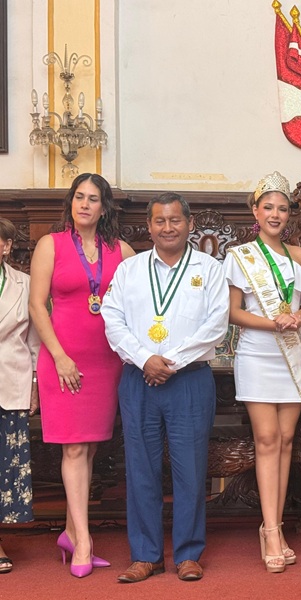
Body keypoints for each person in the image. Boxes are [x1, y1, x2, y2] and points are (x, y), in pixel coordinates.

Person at [102, 192, 229, 583]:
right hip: (139, 378)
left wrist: (169, 361)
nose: (168, 227)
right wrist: (145, 359)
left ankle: (188, 554)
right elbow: (112, 318)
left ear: (189, 224)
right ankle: (145, 555)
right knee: (140, 468)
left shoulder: (209, 269)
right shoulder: (130, 269)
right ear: (149, 225)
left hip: (189, 379)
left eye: (175, 220)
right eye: (160, 220)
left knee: (190, 469)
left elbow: (216, 324)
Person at [29, 173, 135, 578]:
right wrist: (59, 357)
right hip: (63, 359)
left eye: (93, 199)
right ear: (70, 203)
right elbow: (37, 306)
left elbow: (135, 304)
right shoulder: (50, 244)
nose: (85, 204)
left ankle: (71, 532)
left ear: (104, 208)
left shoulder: (121, 250)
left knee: (89, 449)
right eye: (79, 197)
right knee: (73, 448)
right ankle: (84, 542)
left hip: (107, 361)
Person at [223, 172, 301, 574]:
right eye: (268, 208)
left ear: (289, 214)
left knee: (286, 440)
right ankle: (273, 531)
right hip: (257, 354)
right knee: (265, 439)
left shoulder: (299, 255)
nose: (275, 214)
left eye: (282, 208)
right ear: (256, 211)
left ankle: (271, 525)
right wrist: (272, 323)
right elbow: (233, 312)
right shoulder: (239, 256)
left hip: (293, 353)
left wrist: (297, 318)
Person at [0, 218, 41, 574]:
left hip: (11, 384)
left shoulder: (25, 284)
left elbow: (34, 343)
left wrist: (35, 384)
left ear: (6, 246)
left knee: (5, 470)